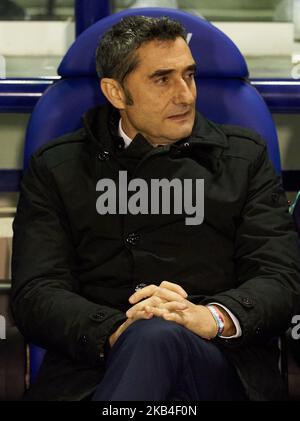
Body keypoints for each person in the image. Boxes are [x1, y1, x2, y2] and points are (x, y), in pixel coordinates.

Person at [11, 15, 300, 401]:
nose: (186, 95)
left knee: (159, 335)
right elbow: (37, 292)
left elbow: (279, 278)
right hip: (95, 369)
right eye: (162, 79)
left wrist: (210, 317)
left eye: (190, 75)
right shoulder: (57, 167)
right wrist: (115, 329)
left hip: (220, 367)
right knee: (151, 337)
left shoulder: (244, 157)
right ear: (115, 93)